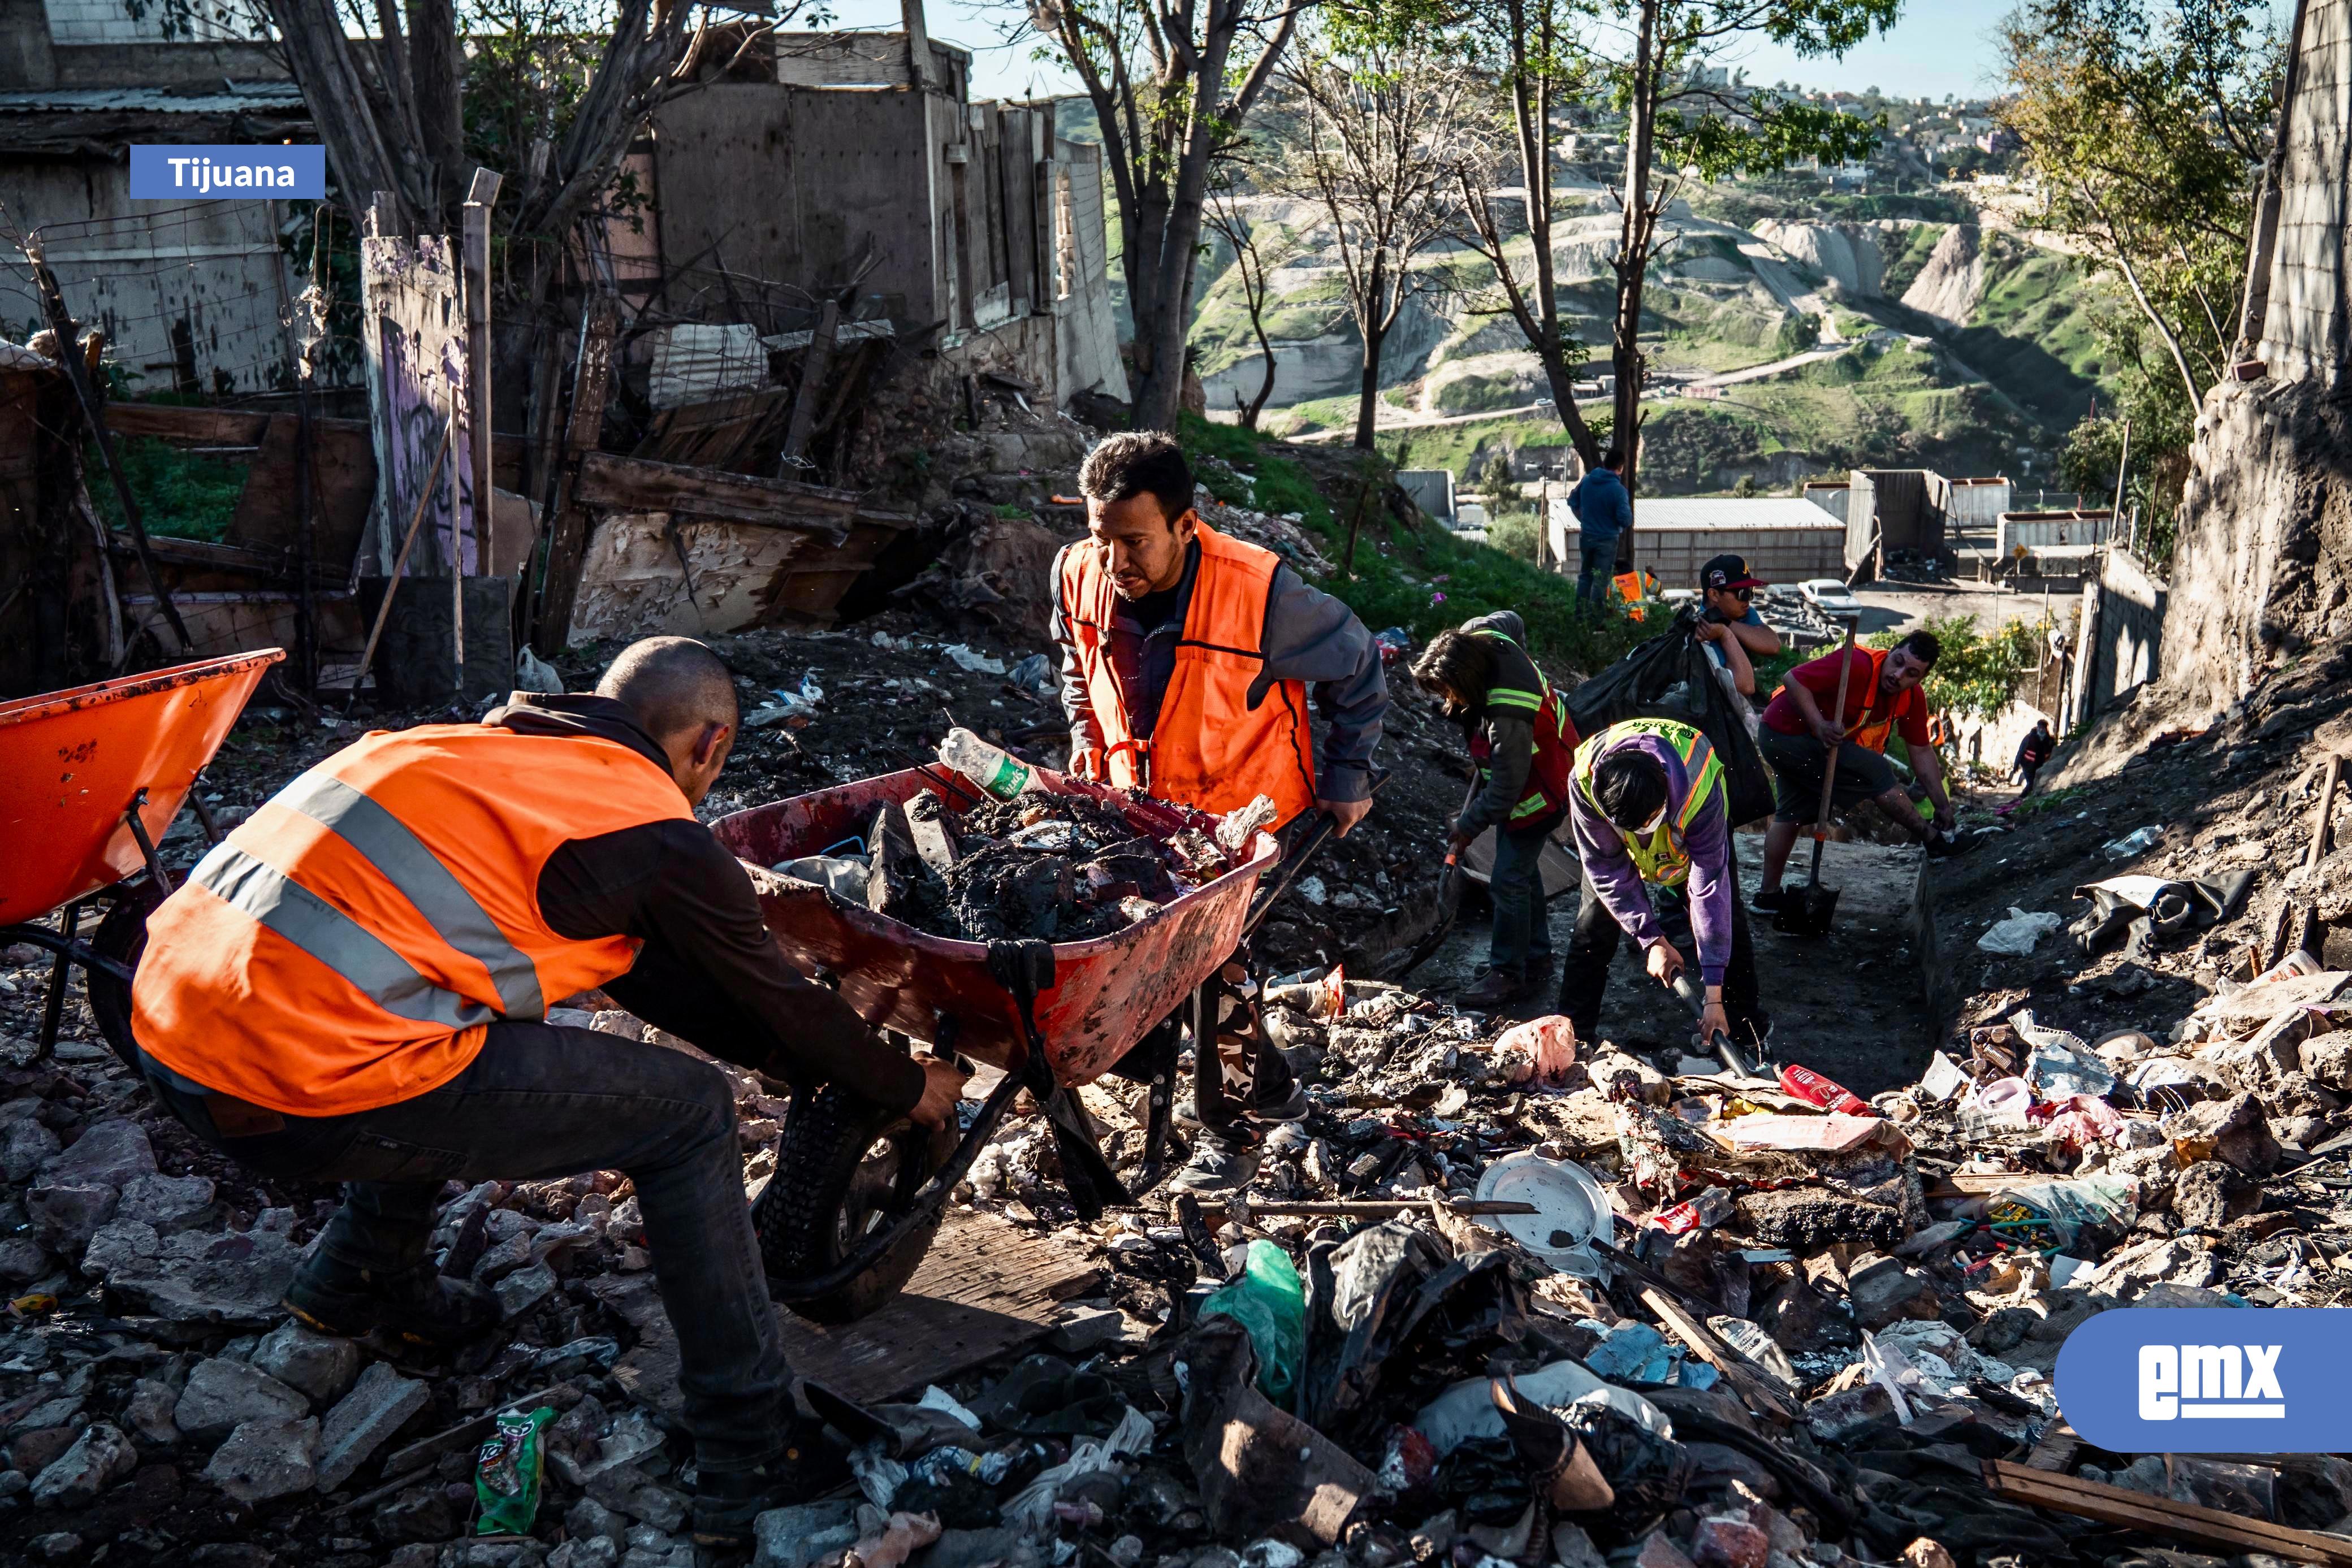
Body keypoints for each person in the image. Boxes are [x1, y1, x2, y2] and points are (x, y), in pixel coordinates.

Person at [128, 637, 967, 1548]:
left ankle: (362, 1278)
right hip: (286, 1083)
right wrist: (902, 1082)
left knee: (453, 1003)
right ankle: (753, 1441)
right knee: (691, 1115)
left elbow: (654, 978)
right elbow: (775, 996)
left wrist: (796, 1058)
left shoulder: (475, 755)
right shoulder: (653, 830)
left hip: (169, 1032)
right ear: (710, 746)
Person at [1052, 431, 1387, 1190]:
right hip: (1139, 812)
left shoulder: (1261, 594)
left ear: (1185, 523)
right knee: (1140, 955)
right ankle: (1274, 1089)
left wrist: (1348, 774)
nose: (1114, 562)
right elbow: (1077, 667)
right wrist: (1084, 740)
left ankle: (1232, 1137)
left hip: (1242, 819)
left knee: (1216, 964)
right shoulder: (1079, 573)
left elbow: (1361, 661)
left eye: (1134, 542)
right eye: (1101, 538)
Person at [1559, 717, 1768, 1055]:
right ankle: (1573, 1034)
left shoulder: (1700, 792)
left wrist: (1713, 993)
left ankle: (1745, 1031)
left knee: (1727, 915)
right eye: (1633, 830)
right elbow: (1606, 867)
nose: (1645, 839)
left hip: (1692, 824)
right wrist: (1650, 938)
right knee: (1592, 925)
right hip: (1613, 840)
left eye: (1649, 825)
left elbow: (1708, 888)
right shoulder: (1585, 782)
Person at [1409, 611, 1581, 1010]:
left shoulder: (1507, 717)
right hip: (1522, 776)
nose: (1448, 701)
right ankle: (1535, 956)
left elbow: (1506, 788)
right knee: (1520, 874)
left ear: (1469, 678)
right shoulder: (1481, 637)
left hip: (1543, 786)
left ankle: (1507, 973)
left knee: (1506, 879)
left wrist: (1468, 826)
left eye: (1450, 691)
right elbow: (1512, 619)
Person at [1751, 630, 1961, 914]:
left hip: (1806, 743)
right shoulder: (1858, 665)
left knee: (1793, 813)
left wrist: (1943, 806)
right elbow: (1793, 678)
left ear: (1920, 679)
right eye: (1897, 662)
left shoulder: (1911, 698)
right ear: (1890, 651)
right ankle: (1932, 840)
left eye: (1911, 673)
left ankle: (1768, 896)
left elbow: (1922, 751)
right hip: (1784, 733)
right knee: (1875, 769)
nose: (1898, 675)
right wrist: (1819, 725)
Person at [1693, 552, 1776, 711]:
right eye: (1742, 593)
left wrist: (1727, 625)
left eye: (1750, 591)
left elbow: (1772, 645)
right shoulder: (1700, 630)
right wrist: (1726, 636)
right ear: (1714, 595)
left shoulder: (1740, 613)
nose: (1748, 600)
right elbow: (1744, 686)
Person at [1566, 448, 1632, 613]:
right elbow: (1625, 519)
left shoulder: (1588, 480)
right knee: (1601, 580)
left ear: (1605, 463)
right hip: (1607, 539)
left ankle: (1580, 616)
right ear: (1621, 467)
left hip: (1587, 536)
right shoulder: (1619, 491)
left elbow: (1572, 501)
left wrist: (1583, 519)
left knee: (1585, 576)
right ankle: (1596, 619)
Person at [2013, 718, 2055, 795]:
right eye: (2040, 728)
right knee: (2031, 783)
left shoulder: (2050, 740)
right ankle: (2022, 797)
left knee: (2034, 784)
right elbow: (2021, 752)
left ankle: (2024, 798)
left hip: (2041, 766)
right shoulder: (2029, 738)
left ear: (2046, 729)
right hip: (2028, 765)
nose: (2042, 730)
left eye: (2043, 728)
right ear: (2037, 728)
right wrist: (2016, 766)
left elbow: (2053, 752)